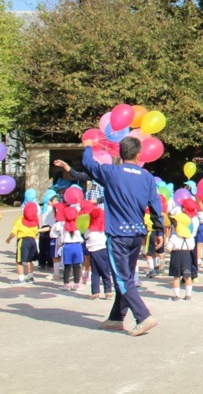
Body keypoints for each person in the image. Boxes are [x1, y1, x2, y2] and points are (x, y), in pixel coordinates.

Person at [56, 137, 162, 337]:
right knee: (126, 277)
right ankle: (116, 318)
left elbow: (88, 165)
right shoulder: (147, 177)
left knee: (122, 279)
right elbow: (155, 204)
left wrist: (87, 147)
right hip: (138, 232)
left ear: (120, 154)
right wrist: (158, 230)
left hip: (118, 233)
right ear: (139, 154)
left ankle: (143, 316)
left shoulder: (111, 172)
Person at [6, 201, 39, 285]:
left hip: (23, 240)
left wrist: (9, 239)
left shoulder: (19, 220)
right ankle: (30, 277)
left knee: (19, 261)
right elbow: (36, 233)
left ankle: (21, 278)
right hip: (32, 241)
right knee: (29, 260)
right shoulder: (36, 220)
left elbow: (14, 232)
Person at [83, 206, 113, 299]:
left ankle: (95, 292)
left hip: (92, 252)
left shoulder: (89, 229)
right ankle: (108, 291)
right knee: (105, 271)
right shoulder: (104, 228)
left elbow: (85, 236)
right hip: (103, 251)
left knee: (95, 272)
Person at [166, 212, 195, 301]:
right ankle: (188, 294)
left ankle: (176, 295)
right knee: (187, 276)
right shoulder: (190, 237)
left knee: (176, 277)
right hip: (186, 256)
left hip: (176, 256)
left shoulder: (174, 237)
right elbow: (192, 247)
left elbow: (168, 248)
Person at [60, 206, 85, 291]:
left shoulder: (63, 225)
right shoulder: (78, 223)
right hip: (77, 246)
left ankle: (66, 284)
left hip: (67, 246)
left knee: (67, 266)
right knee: (77, 266)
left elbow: (61, 236)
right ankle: (76, 283)